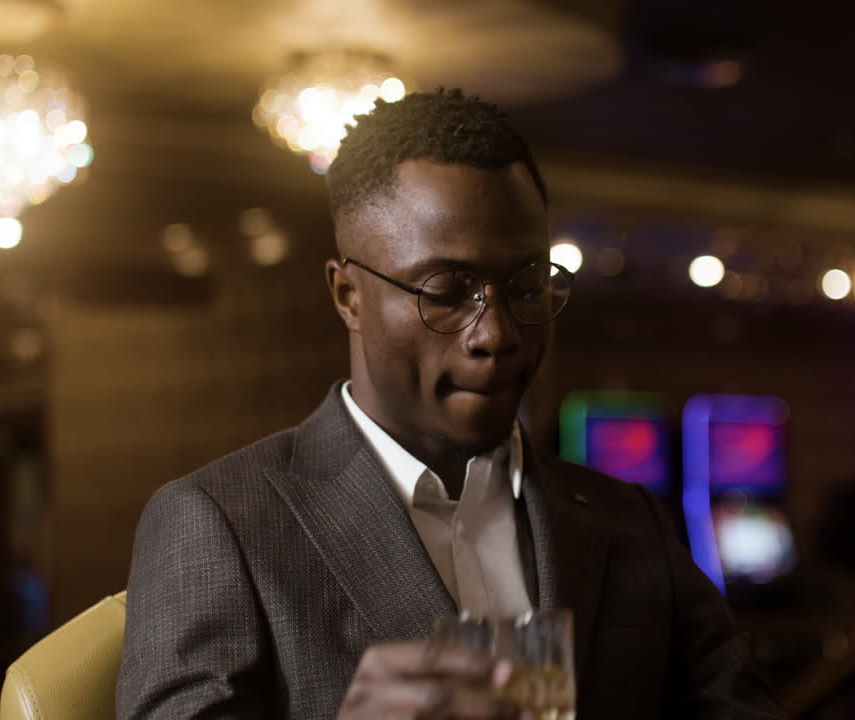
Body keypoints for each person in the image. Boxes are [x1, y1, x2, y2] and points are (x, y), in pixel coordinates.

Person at [117, 89, 785, 720]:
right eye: (446, 290)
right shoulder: (221, 522)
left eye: (526, 284)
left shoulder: (629, 521)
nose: (495, 334)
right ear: (348, 296)